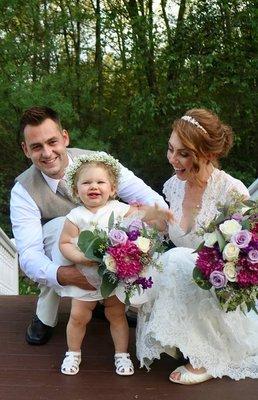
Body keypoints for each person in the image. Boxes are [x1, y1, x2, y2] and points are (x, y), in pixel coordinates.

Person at [10, 106, 168, 346]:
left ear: (65, 137)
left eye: (52, 142)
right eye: (36, 146)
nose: (47, 152)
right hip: (60, 247)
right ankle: (45, 316)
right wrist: (64, 275)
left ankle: (114, 300)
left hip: (107, 239)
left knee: (138, 218)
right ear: (25, 150)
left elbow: (149, 198)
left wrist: (151, 223)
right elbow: (29, 254)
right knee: (62, 225)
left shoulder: (100, 163)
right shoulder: (23, 190)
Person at [136, 108, 258, 384]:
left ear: (208, 154)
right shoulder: (173, 186)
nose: (173, 159)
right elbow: (172, 232)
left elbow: (245, 257)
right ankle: (179, 338)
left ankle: (203, 358)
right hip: (187, 282)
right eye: (170, 149)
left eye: (183, 154)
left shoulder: (232, 191)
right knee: (159, 263)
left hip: (218, 289)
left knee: (178, 258)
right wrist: (154, 220)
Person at [52, 152, 171, 375]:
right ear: (76, 191)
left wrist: (154, 213)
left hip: (113, 277)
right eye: (86, 183)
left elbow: (143, 218)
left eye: (100, 182)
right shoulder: (75, 216)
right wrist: (79, 257)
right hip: (85, 276)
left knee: (116, 315)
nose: (93, 186)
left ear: (113, 189)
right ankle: (73, 353)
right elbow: (65, 242)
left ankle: (121, 354)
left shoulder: (119, 209)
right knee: (78, 317)